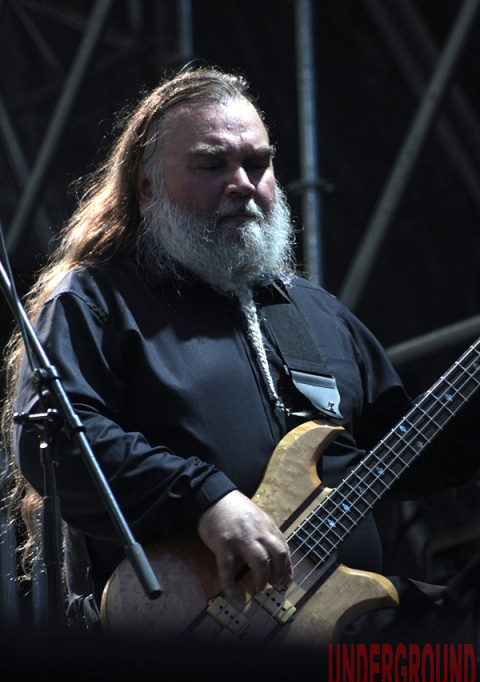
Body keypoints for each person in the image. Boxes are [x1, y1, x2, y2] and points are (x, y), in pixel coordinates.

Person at [2, 66, 479, 641]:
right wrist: (207, 500)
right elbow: (55, 437)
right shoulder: (98, 301)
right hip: (188, 639)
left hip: (349, 634)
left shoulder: (313, 315)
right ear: (146, 187)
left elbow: (408, 453)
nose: (242, 183)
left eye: (257, 164)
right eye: (211, 165)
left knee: (450, 668)